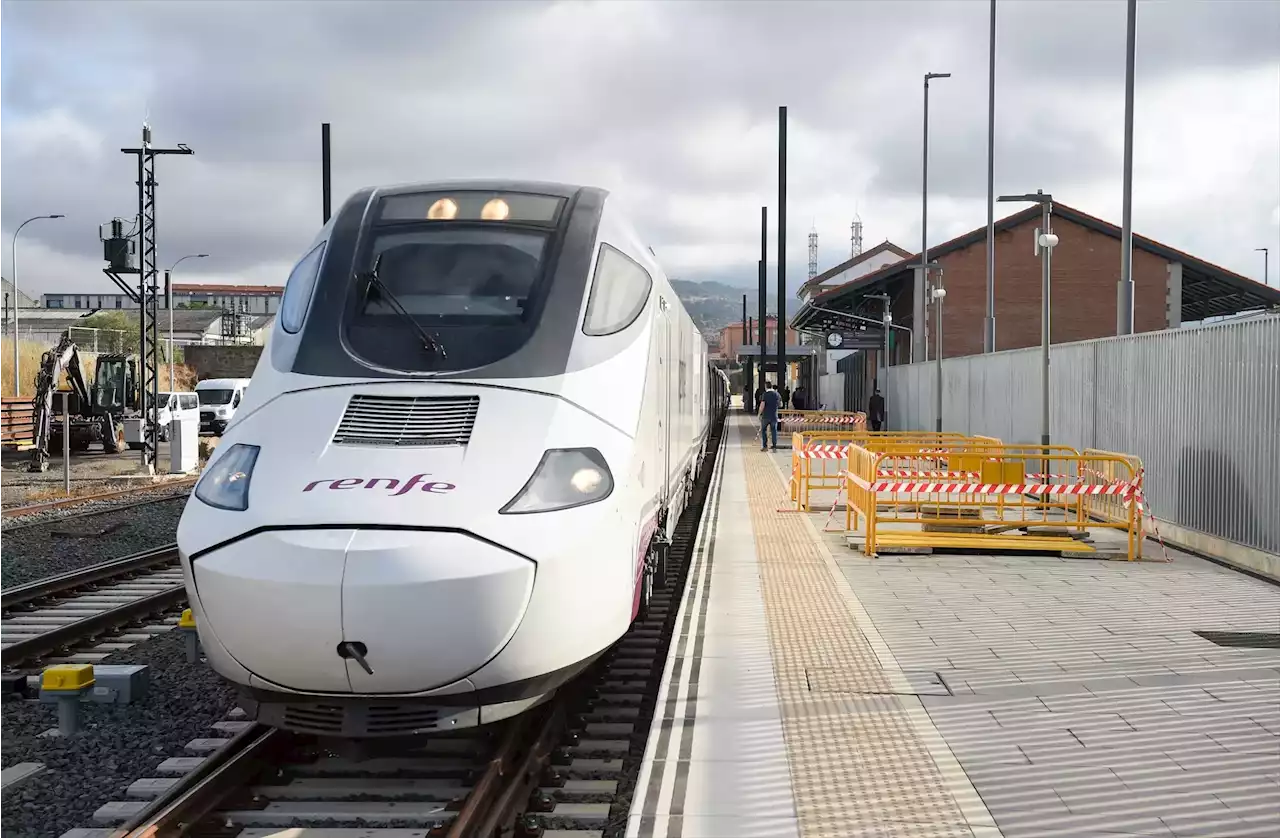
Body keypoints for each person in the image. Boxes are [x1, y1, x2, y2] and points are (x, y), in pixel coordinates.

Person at [758, 381, 780, 451]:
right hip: (774, 416)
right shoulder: (777, 394)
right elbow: (780, 404)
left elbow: (762, 405)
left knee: (764, 430)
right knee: (774, 431)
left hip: (766, 416)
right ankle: (774, 446)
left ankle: (765, 447)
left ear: (766, 386)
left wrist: (759, 414)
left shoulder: (765, 394)